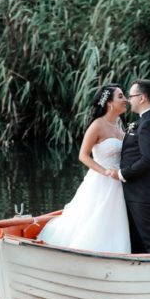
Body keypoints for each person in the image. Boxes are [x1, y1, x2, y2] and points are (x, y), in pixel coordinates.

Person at [37, 85, 131, 253]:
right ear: (109, 103)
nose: (126, 100)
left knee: (116, 221)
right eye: (121, 96)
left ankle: (117, 252)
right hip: (102, 180)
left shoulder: (119, 125)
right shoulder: (97, 125)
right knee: (96, 218)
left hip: (120, 181)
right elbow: (83, 155)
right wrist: (105, 172)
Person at [109, 79, 150, 253]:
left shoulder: (149, 122)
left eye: (131, 96)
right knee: (138, 242)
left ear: (142, 98)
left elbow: (148, 160)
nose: (129, 100)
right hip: (140, 191)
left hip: (144, 193)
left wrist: (122, 174)